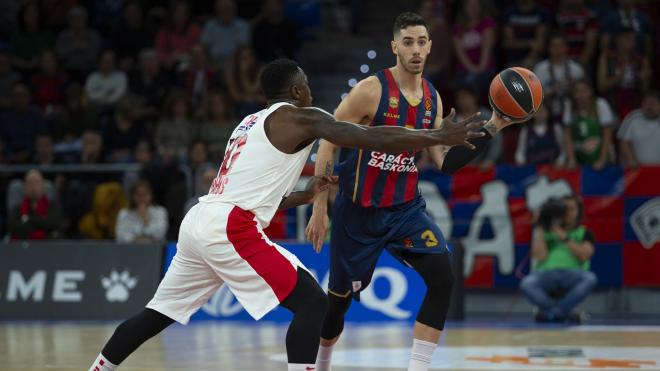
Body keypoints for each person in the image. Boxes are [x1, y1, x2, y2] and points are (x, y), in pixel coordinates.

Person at [88, 58, 486, 371]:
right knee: (313, 303)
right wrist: (436, 136)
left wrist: (307, 195)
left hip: (200, 220)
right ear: (297, 90)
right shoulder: (302, 116)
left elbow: (258, 196)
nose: (311, 90)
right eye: (307, 84)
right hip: (228, 226)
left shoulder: (248, 124)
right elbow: (368, 136)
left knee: (157, 313)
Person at [305, 13, 521, 371]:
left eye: (422, 41)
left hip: (405, 211)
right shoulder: (370, 90)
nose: (416, 49)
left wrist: (494, 125)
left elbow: (445, 162)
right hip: (358, 214)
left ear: (431, 46)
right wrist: (318, 205)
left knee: (444, 276)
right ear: (394, 47)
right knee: (337, 307)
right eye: (408, 42)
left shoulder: (433, 99)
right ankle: (322, 364)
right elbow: (327, 138)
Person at [520, 195, 597, 323]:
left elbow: (585, 255)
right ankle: (562, 312)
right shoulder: (545, 232)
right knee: (527, 283)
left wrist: (563, 236)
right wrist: (539, 227)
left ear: (578, 212)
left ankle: (552, 313)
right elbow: (540, 256)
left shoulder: (584, 233)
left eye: (571, 209)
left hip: (573, 274)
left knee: (590, 279)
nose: (567, 212)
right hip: (546, 273)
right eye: (564, 209)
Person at [597, 27, 651, 119]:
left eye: (633, 39)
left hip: (634, 104)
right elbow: (601, 86)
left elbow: (644, 90)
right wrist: (618, 78)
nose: (632, 42)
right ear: (618, 40)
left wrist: (643, 80)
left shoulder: (641, 60)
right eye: (628, 39)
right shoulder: (607, 58)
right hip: (612, 103)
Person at [563, 80, 616, 170]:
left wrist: (602, 160)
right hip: (580, 157)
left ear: (590, 92)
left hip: (600, 157)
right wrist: (572, 159)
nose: (580, 95)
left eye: (584, 91)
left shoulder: (600, 105)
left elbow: (607, 134)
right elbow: (567, 136)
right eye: (577, 91)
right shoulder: (569, 106)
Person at [533, 33, 585, 122]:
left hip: (573, 114)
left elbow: (585, 96)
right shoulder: (540, 69)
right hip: (548, 114)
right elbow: (534, 97)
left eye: (560, 46)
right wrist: (553, 90)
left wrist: (574, 87)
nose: (557, 49)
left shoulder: (576, 69)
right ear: (549, 48)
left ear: (566, 48)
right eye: (554, 46)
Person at [452, 0, 497, 95]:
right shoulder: (458, 27)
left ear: (480, 7)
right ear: (465, 8)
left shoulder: (487, 23)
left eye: (476, 6)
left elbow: (487, 50)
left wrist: (480, 68)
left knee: (471, 81)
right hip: (463, 68)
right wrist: (472, 69)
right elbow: (460, 53)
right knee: (465, 80)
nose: (473, 9)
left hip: (485, 67)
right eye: (470, 6)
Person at [8, 169, 61, 240]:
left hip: (47, 247)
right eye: (30, 183)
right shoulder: (17, 209)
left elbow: (53, 224)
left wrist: (28, 219)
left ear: (43, 187)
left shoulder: (53, 206)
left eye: (37, 183)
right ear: (24, 188)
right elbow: (13, 227)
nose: (33, 187)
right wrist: (41, 222)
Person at [54, 6, 101, 80]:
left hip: (89, 70)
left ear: (85, 19)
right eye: (74, 19)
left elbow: (94, 55)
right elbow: (60, 54)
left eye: (80, 18)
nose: (77, 21)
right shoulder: (63, 36)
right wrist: (75, 47)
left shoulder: (93, 35)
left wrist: (71, 50)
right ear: (70, 21)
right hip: (68, 71)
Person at [201, 0, 250, 66]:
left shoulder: (242, 25)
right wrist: (211, 64)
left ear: (235, 10)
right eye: (223, 9)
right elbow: (204, 47)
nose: (226, 12)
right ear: (217, 11)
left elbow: (242, 48)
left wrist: (230, 63)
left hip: (235, 64)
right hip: (212, 63)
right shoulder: (210, 26)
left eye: (229, 9)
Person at [617, 90, 660, 167]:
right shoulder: (633, 117)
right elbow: (623, 141)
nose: (649, 107)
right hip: (637, 170)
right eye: (646, 103)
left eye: (653, 103)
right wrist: (631, 160)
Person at [502, 0, 550, 68]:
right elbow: (508, 43)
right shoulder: (509, 13)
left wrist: (531, 58)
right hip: (513, 59)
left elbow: (540, 44)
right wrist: (530, 43)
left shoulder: (542, 13)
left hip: (536, 58)